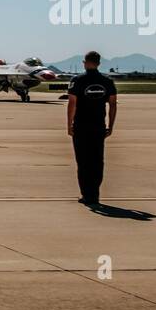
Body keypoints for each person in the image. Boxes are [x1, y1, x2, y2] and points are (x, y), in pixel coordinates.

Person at [67, 51, 118, 207]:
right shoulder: (107, 81)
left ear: (85, 62)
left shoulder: (77, 80)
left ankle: (87, 194)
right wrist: (111, 125)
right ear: (99, 63)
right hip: (98, 127)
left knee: (83, 162)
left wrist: (69, 124)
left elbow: (72, 104)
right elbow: (113, 104)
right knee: (97, 161)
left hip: (81, 127)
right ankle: (94, 194)